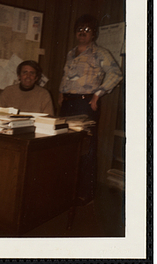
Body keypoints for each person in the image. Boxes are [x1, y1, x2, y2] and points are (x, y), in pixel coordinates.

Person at [58, 14, 123, 205]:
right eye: (79, 30)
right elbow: (66, 76)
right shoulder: (71, 53)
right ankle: (65, 189)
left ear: (93, 33)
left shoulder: (100, 53)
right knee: (65, 146)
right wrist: (61, 93)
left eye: (87, 30)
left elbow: (116, 73)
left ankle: (86, 194)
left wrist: (99, 93)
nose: (82, 33)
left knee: (86, 147)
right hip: (67, 104)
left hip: (85, 104)